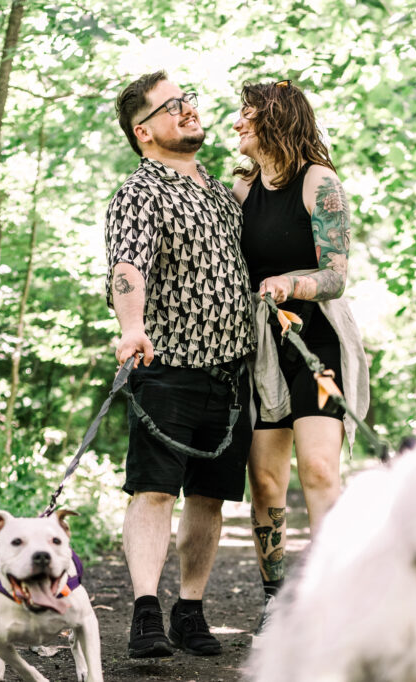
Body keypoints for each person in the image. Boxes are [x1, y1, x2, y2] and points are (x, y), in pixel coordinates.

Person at [105, 71, 257, 659]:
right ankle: (146, 612)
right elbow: (129, 267)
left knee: (209, 498)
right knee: (153, 491)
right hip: (166, 367)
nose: (188, 109)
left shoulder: (221, 192)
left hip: (230, 374)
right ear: (144, 131)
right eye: (172, 106)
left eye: (187, 99)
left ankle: (189, 610)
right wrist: (131, 326)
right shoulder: (140, 194)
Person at [231, 80, 369, 637]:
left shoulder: (321, 183)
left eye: (246, 115)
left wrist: (290, 283)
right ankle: (277, 597)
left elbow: (336, 275)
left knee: (317, 468)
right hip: (261, 346)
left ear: (274, 120)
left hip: (317, 341)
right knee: (265, 481)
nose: (237, 124)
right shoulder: (239, 192)